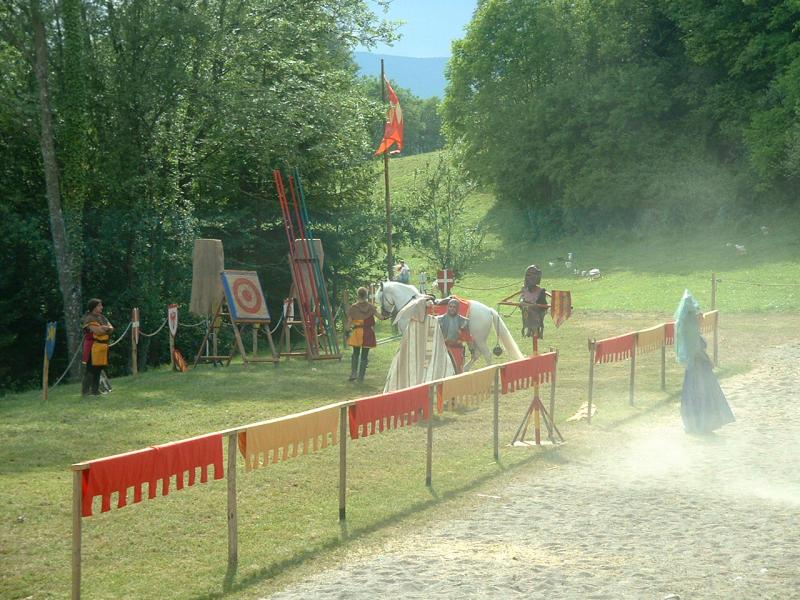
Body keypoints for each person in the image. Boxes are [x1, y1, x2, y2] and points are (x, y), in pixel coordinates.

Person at [675, 290, 735, 434]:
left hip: (697, 368)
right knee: (701, 396)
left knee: (699, 396)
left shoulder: (690, 327)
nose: (702, 316)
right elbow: (696, 351)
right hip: (698, 369)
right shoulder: (690, 329)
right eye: (698, 314)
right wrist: (708, 361)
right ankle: (700, 425)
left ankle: (700, 425)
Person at [346, 287, 381, 382]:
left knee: (355, 354)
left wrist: (347, 332)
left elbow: (349, 322)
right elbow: (381, 317)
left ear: (358, 295)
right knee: (364, 356)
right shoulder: (371, 307)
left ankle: (353, 373)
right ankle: (361, 377)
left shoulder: (353, 307)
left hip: (357, 332)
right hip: (368, 333)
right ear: (366, 295)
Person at [81, 298, 114, 396]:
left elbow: (112, 329)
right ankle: (85, 392)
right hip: (93, 346)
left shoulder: (102, 317)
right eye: (99, 305)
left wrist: (105, 328)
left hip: (102, 347)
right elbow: (97, 332)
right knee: (91, 369)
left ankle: (95, 391)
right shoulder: (89, 318)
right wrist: (104, 329)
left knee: (98, 369)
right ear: (94, 307)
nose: (101, 307)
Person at [437, 297, 469, 373]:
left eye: (454, 307)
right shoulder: (439, 320)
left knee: (457, 371)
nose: (452, 308)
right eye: (450, 306)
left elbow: (468, 338)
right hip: (444, 350)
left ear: (457, 308)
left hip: (457, 350)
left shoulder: (464, 321)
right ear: (448, 307)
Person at [520, 264, 548, 338]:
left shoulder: (540, 292)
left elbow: (544, 307)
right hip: (527, 315)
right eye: (528, 275)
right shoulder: (524, 290)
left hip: (537, 317)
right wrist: (523, 302)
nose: (530, 278)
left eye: (532, 276)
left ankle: (535, 331)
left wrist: (535, 305)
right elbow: (521, 300)